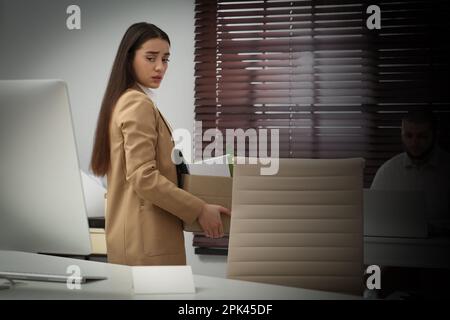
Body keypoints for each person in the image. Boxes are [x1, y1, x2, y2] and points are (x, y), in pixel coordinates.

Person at [90, 22, 230, 266]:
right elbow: (143, 177)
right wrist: (199, 209)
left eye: (165, 59)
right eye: (151, 57)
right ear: (128, 57)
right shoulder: (137, 104)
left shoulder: (122, 101)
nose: (160, 67)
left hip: (132, 239)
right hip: (148, 242)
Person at [371, 110, 450, 225]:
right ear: (401, 134)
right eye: (408, 136)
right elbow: (373, 216)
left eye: (422, 136)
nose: (414, 143)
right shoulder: (387, 171)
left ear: (435, 135)